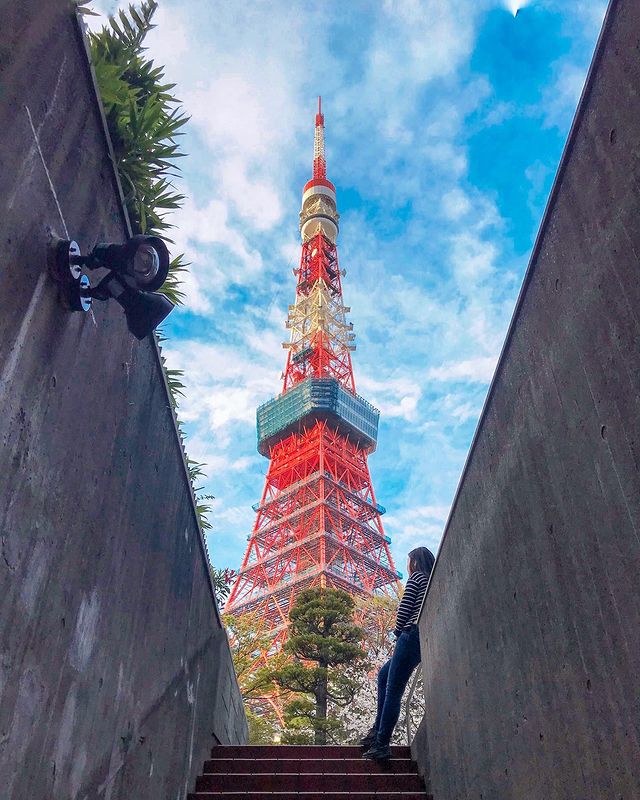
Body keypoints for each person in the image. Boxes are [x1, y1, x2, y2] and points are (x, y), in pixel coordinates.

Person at [361, 546, 436, 761]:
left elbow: (404, 610)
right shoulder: (430, 582)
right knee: (384, 675)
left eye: (409, 561)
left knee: (393, 689)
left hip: (410, 634)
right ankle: (377, 731)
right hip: (422, 640)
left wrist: (397, 631)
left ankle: (381, 744)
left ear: (414, 562)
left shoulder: (417, 578)